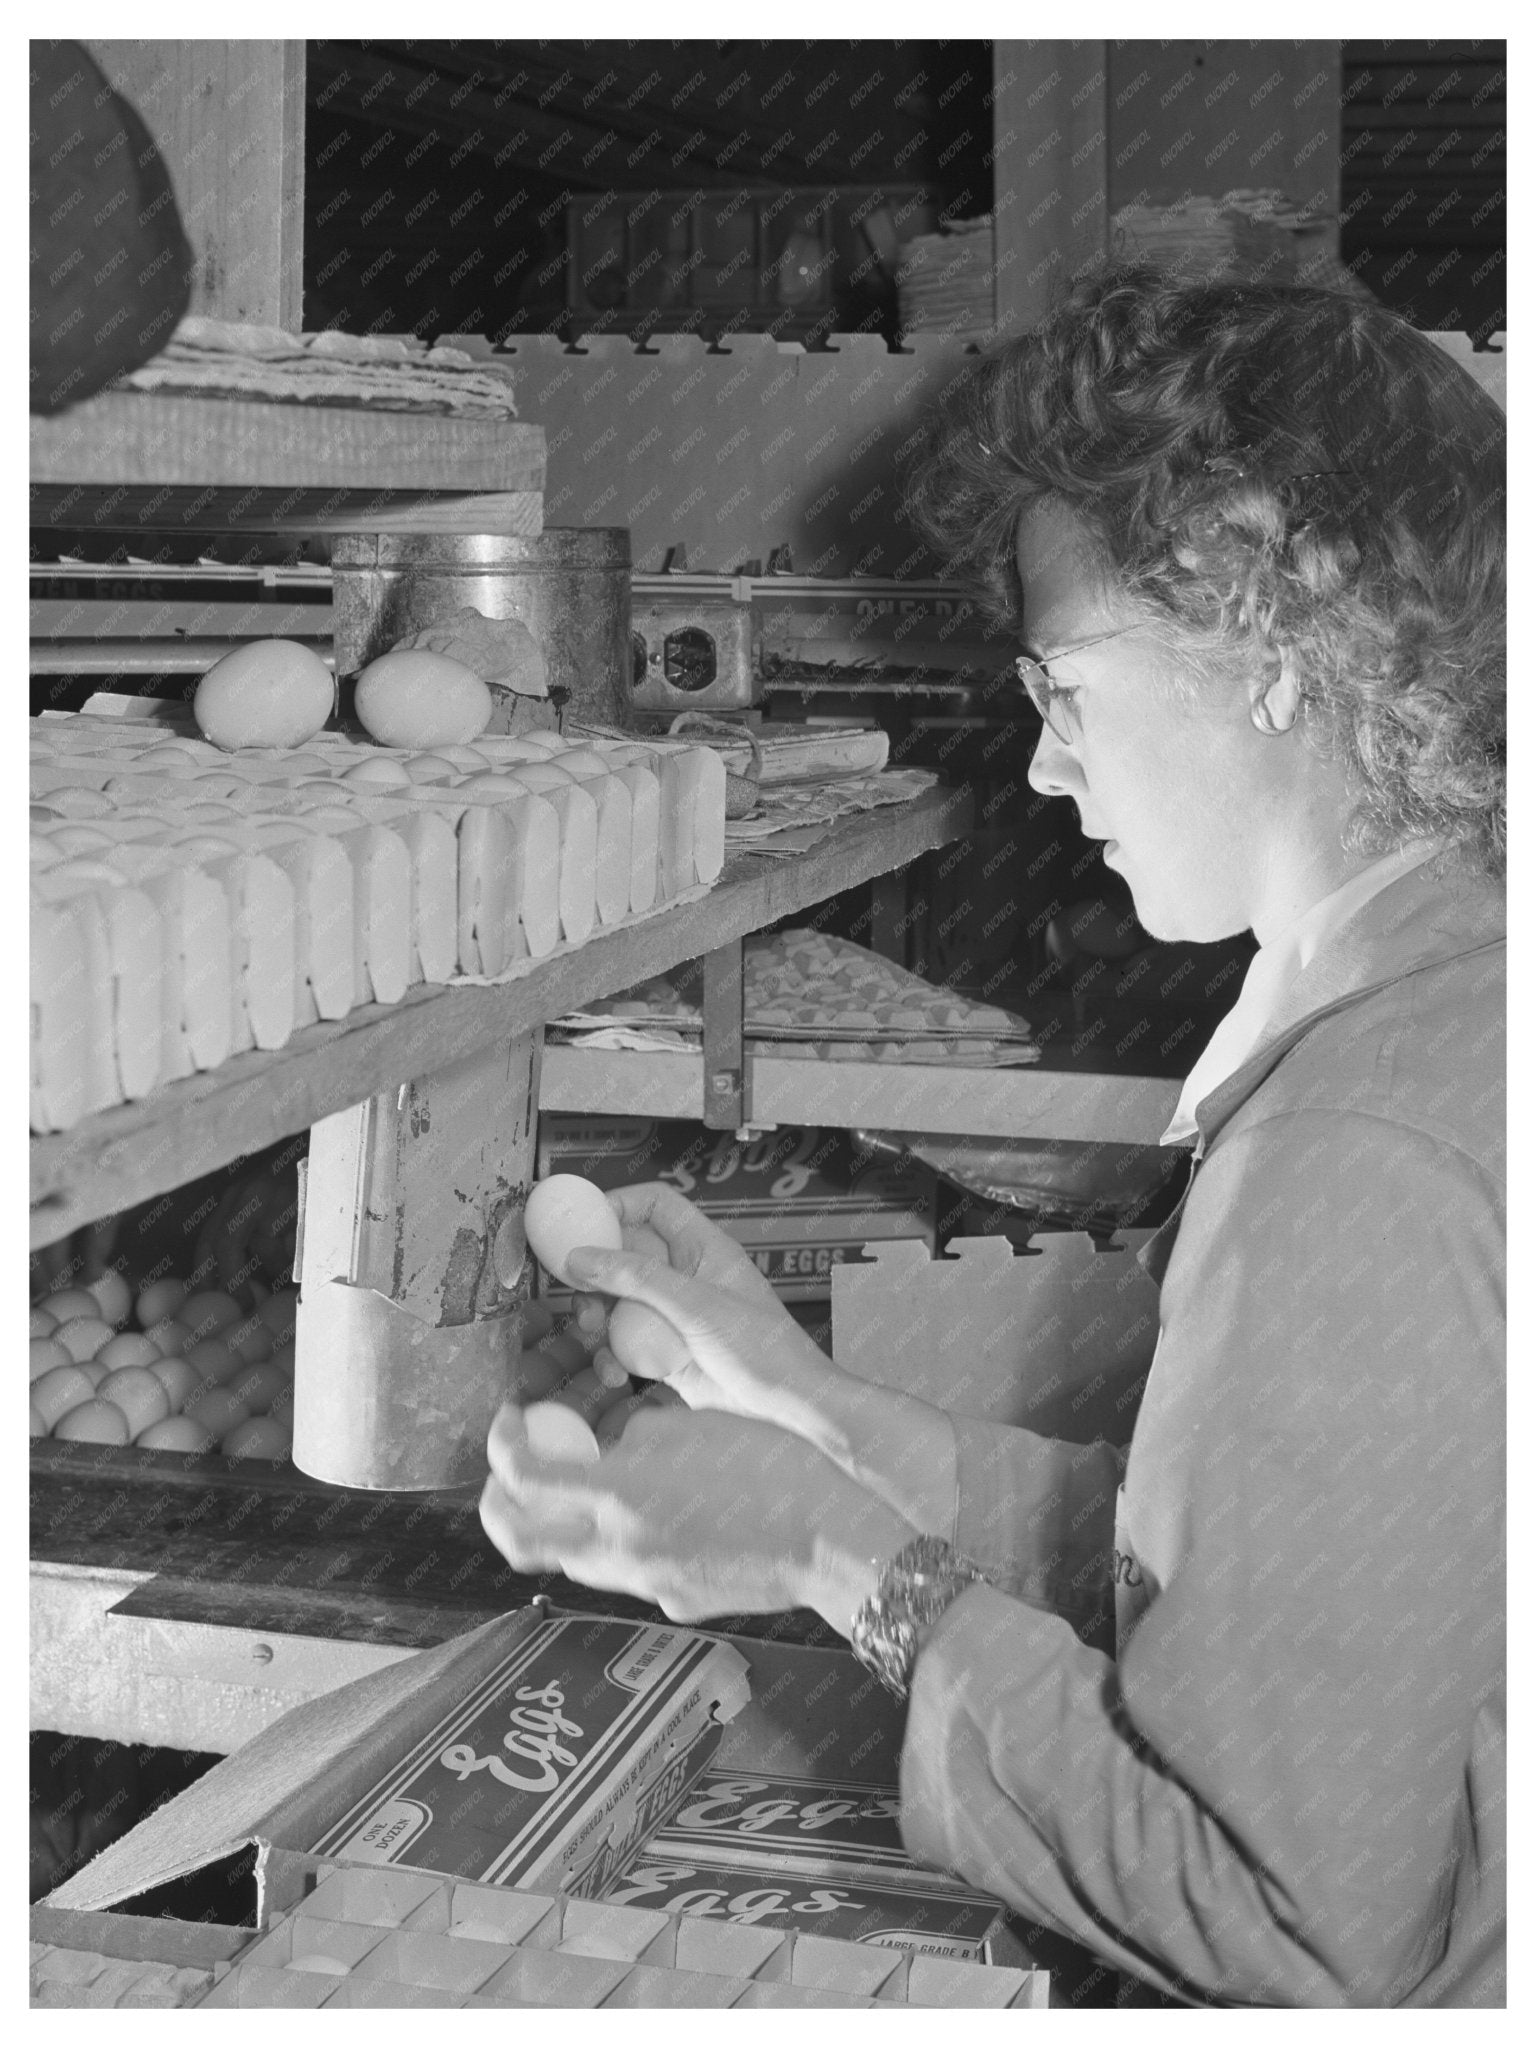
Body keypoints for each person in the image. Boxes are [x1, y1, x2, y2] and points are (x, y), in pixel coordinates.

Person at [479, 264, 1506, 2007]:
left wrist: (830, 1555)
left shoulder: (1358, 1156)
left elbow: (1302, 1933)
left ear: (1267, 611)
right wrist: (798, 1401)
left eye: (1067, 689)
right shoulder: (1456, 1001)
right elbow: (1267, 1604)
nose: (1040, 768)